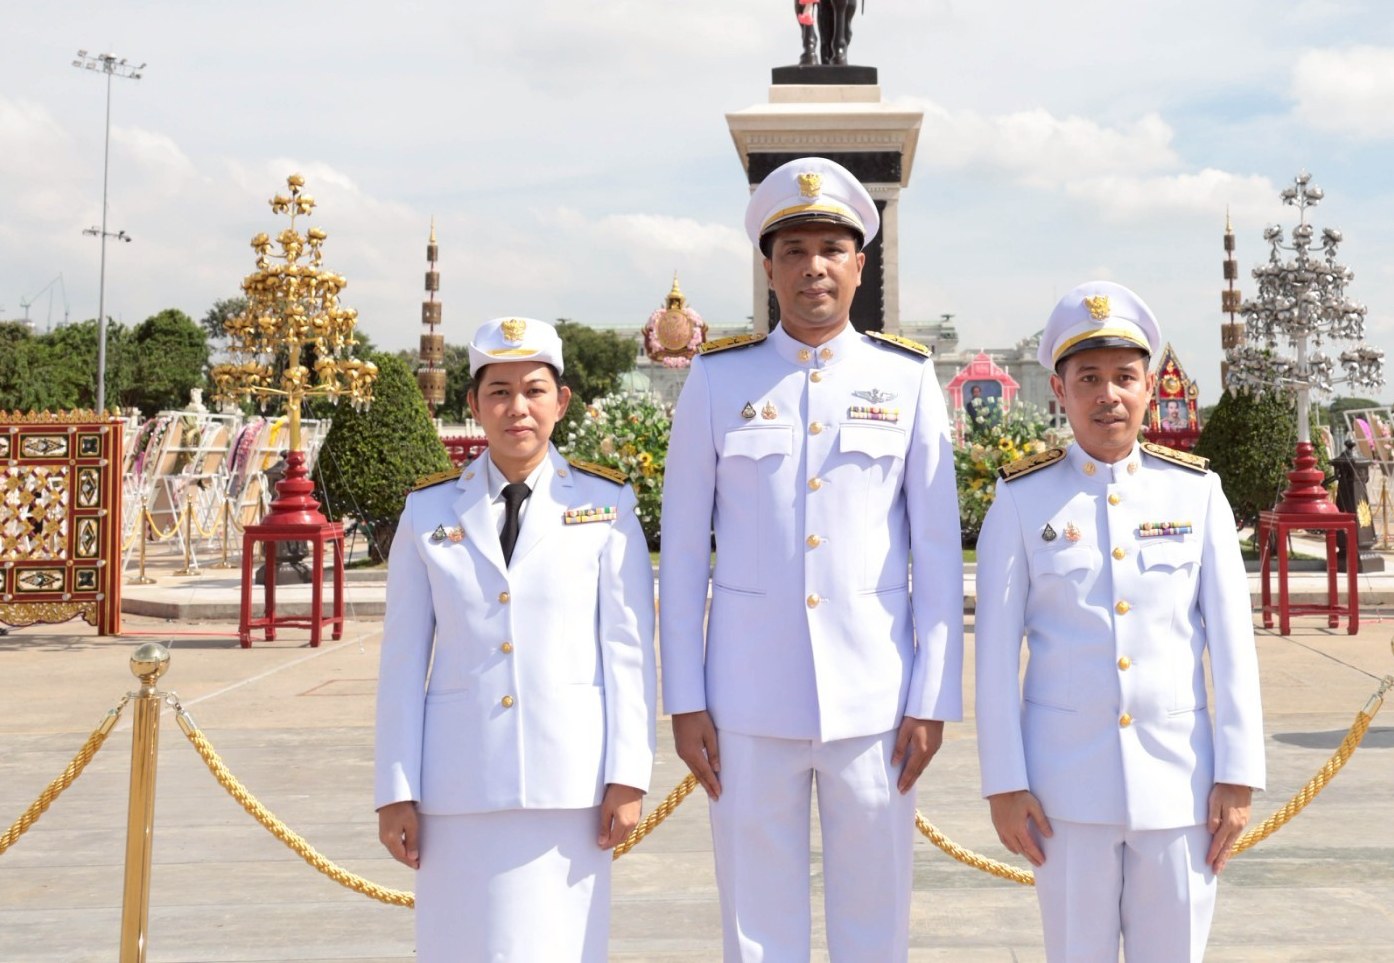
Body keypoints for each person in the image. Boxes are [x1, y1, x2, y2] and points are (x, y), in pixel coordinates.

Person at [659, 155, 961, 962]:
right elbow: (682, 554)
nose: (813, 266)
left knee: (875, 920)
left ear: (860, 265)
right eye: (793, 250)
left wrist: (931, 696)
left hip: (876, 700)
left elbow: (936, 552)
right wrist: (685, 699)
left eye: (832, 248)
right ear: (769, 268)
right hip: (747, 699)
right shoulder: (718, 381)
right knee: (756, 925)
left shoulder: (906, 378)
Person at [975, 282, 1264, 962]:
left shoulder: (1196, 493)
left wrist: (1238, 774)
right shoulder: (1021, 500)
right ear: (1060, 390)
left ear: (1149, 387)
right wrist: (1005, 784)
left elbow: (1233, 646)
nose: (1108, 395)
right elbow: (992, 658)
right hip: (1063, 792)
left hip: (1182, 783)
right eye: (1089, 378)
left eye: (1125, 377)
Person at [374, 318, 656, 962]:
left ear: (562, 402)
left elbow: (629, 652)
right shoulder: (429, 510)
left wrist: (628, 776)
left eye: (534, 390)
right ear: (473, 405)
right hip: (457, 784)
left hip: (573, 784)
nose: (517, 408)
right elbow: (402, 661)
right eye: (498, 392)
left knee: (562, 945)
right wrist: (396, 789)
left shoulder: (607, 505)